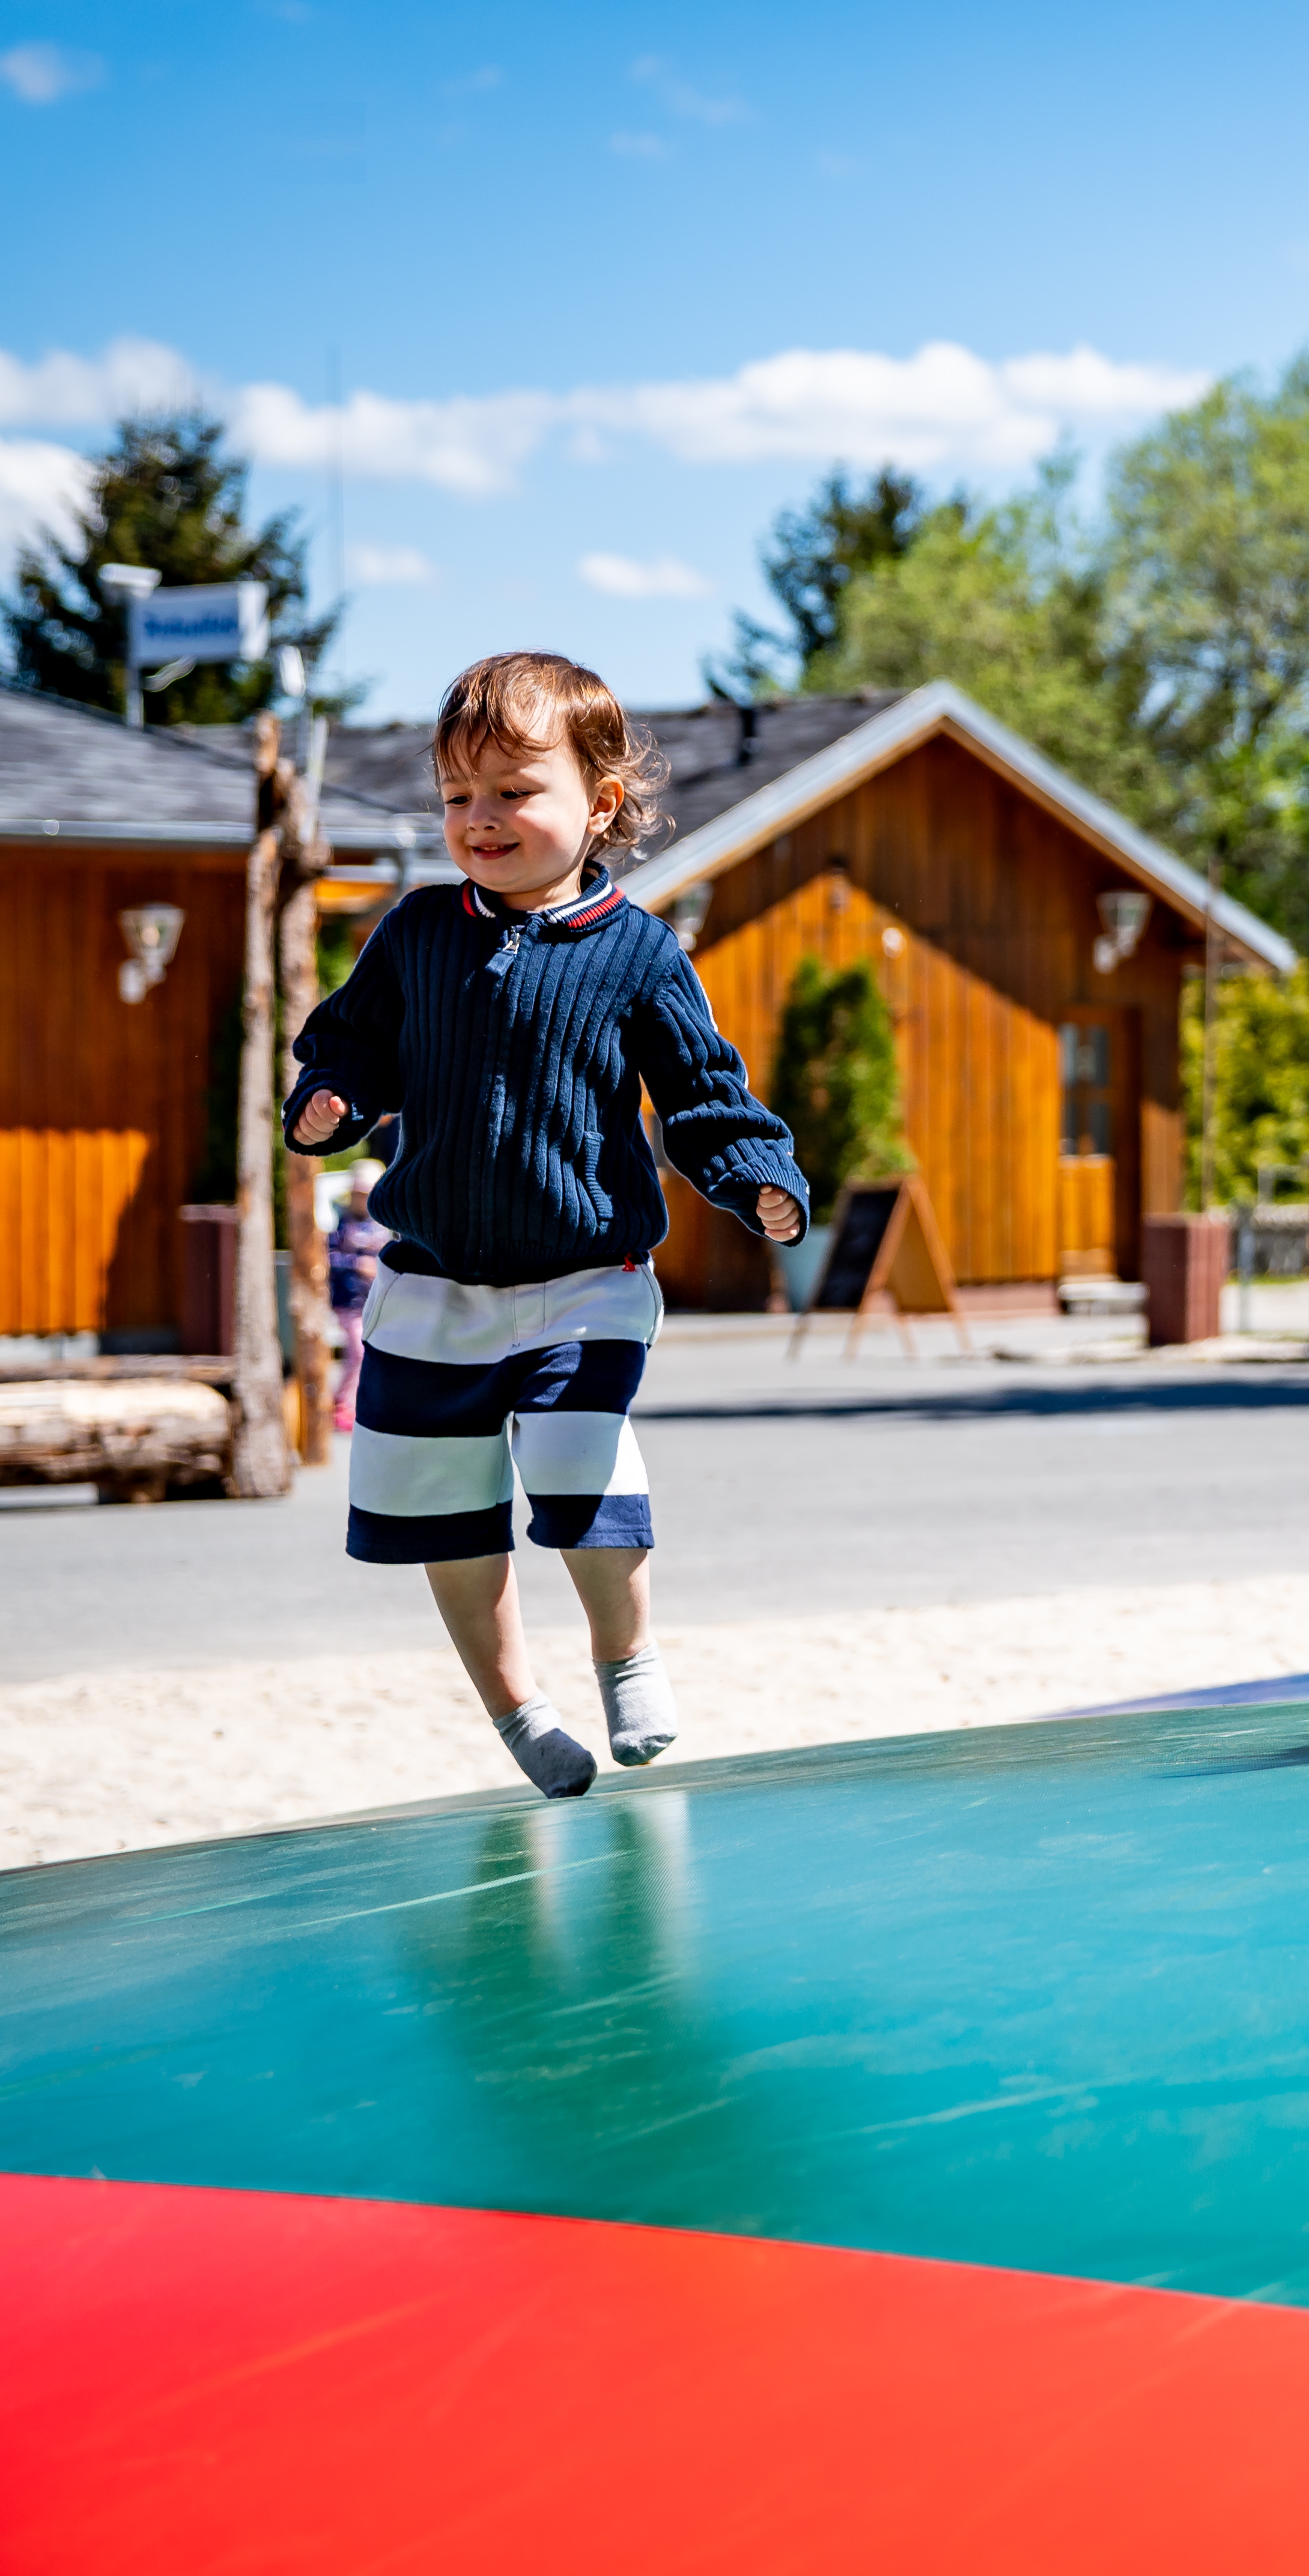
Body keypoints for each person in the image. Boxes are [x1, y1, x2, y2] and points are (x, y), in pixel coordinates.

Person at [285, 653, 810, 1800]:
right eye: (457, 795)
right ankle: (517, 1708)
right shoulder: (417, 933)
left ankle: (627, 1656)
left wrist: (757, 1175)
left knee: (578, 1459)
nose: (479, 818)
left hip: (585, 1276)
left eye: (513, 791)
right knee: (444, 1510)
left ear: (600, 803)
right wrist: (330, 1098)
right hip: (433, 1282)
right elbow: (349, 1045)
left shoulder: (639, 952)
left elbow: (704, 1095)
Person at [321, 1165, 388, 1434]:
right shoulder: (342, 1224)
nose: (362, 1200)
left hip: (377, 1301)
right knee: (357, 1351)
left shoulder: (382, 1226)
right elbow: (327, 1258)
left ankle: (362, 1403)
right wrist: (357, 1264)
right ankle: (340, 1404)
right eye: (359, 1194)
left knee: (377, 1354)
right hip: (349, 1301)